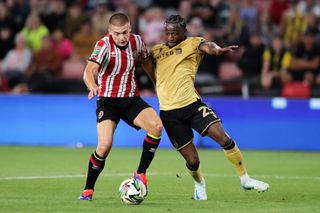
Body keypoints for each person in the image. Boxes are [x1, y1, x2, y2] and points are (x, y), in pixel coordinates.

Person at [149, 15, 270, 200]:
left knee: (224, 138)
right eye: (168, 33)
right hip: (169, 113)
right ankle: (199, 183)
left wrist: (217, 50)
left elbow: (209, 46)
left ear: (184, 32)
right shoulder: (157, 51)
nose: (171, 36)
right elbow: (146, 66)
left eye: (175, 33)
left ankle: (245, 179)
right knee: (193, 160)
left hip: (192, 105)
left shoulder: (193, 43)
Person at [79, 13, 163, 201]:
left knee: (156, 127)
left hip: (130, 99)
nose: (122, 37)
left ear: (130, 29)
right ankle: (88, 190)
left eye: (124, 32)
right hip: (108, 101)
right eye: (117, 33)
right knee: (104, 146)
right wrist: (92, 85)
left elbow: (147, 61)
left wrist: (157, 84)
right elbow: (89, 70)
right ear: (110, 32)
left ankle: (140, 173)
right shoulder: (103, 45)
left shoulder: (138, 42)